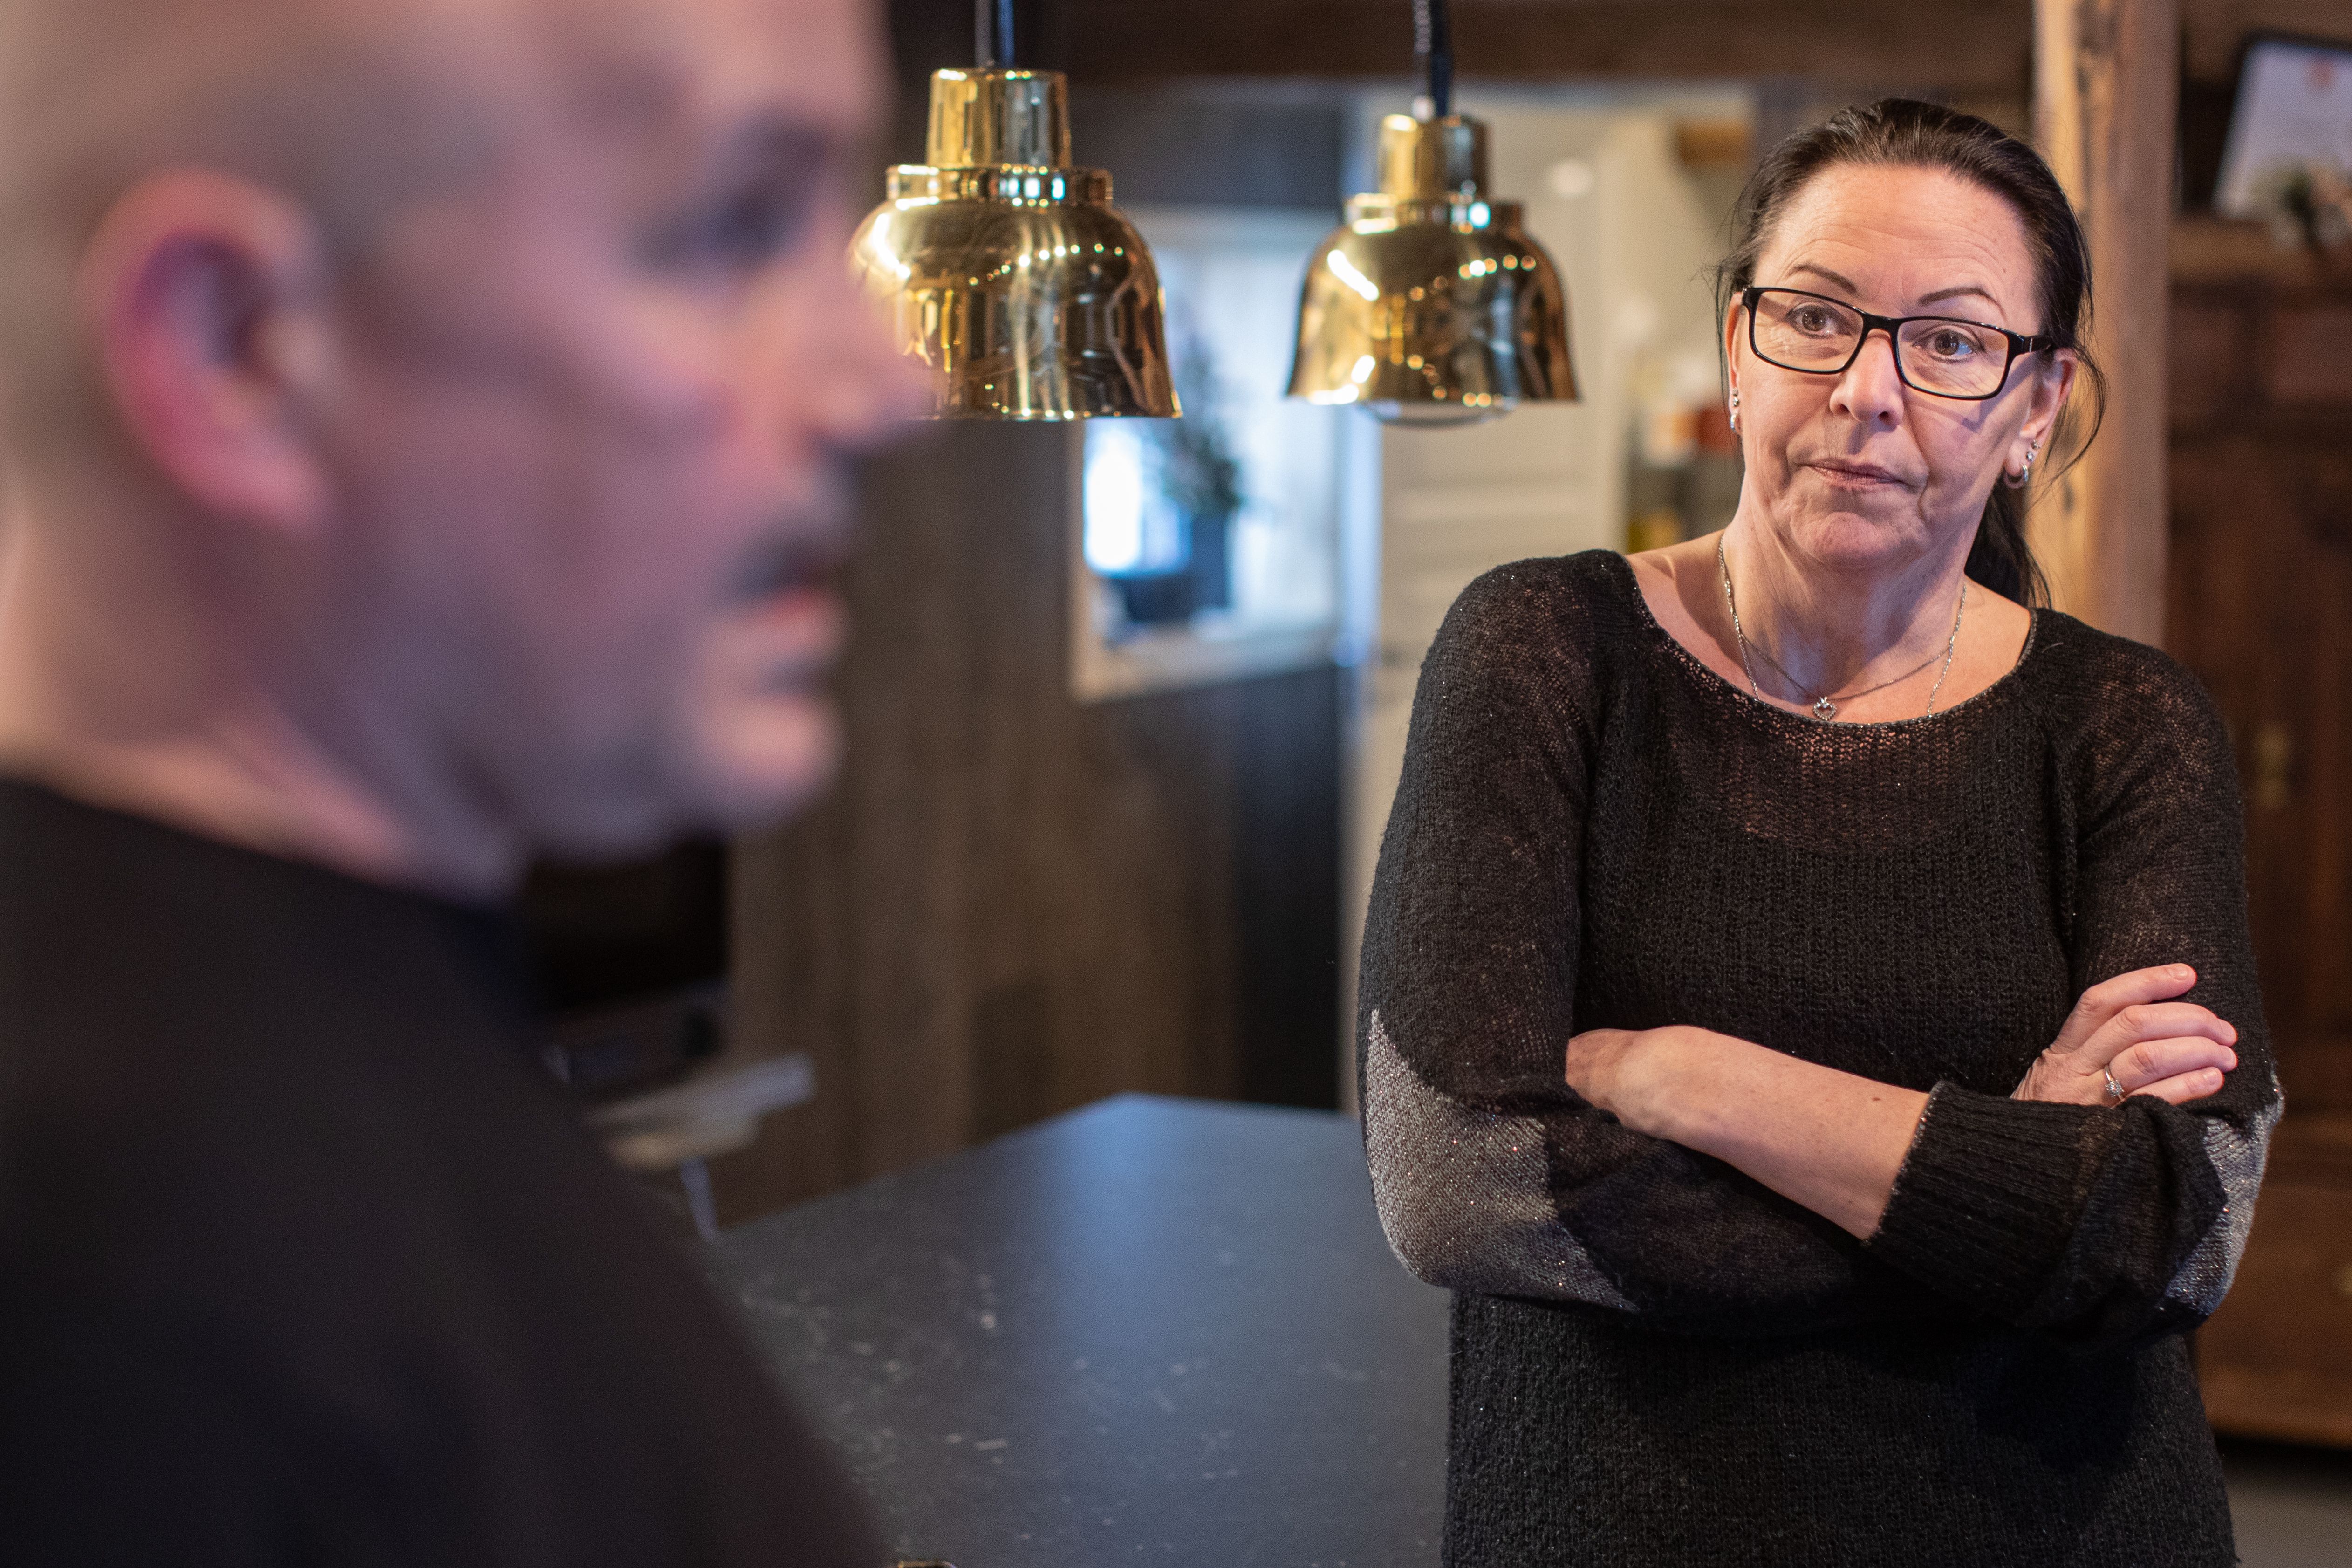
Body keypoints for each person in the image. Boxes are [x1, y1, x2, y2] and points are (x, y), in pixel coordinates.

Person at [0, 0, 923, 1560]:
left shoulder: (311, 1083)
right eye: (732, 227)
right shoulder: (101, 1282)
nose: (891, 385)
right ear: (234, 350)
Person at [1359, 100, 2280, 1567]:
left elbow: (2177, 1232)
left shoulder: (2127, 723)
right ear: (1739, 348)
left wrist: (1699, 1080)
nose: (1866, 390)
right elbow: (1466, 1182)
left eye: (1952, 341)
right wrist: (2009, 1179)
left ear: (2036, 407)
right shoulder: (1542, 652)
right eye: (1815, 317)